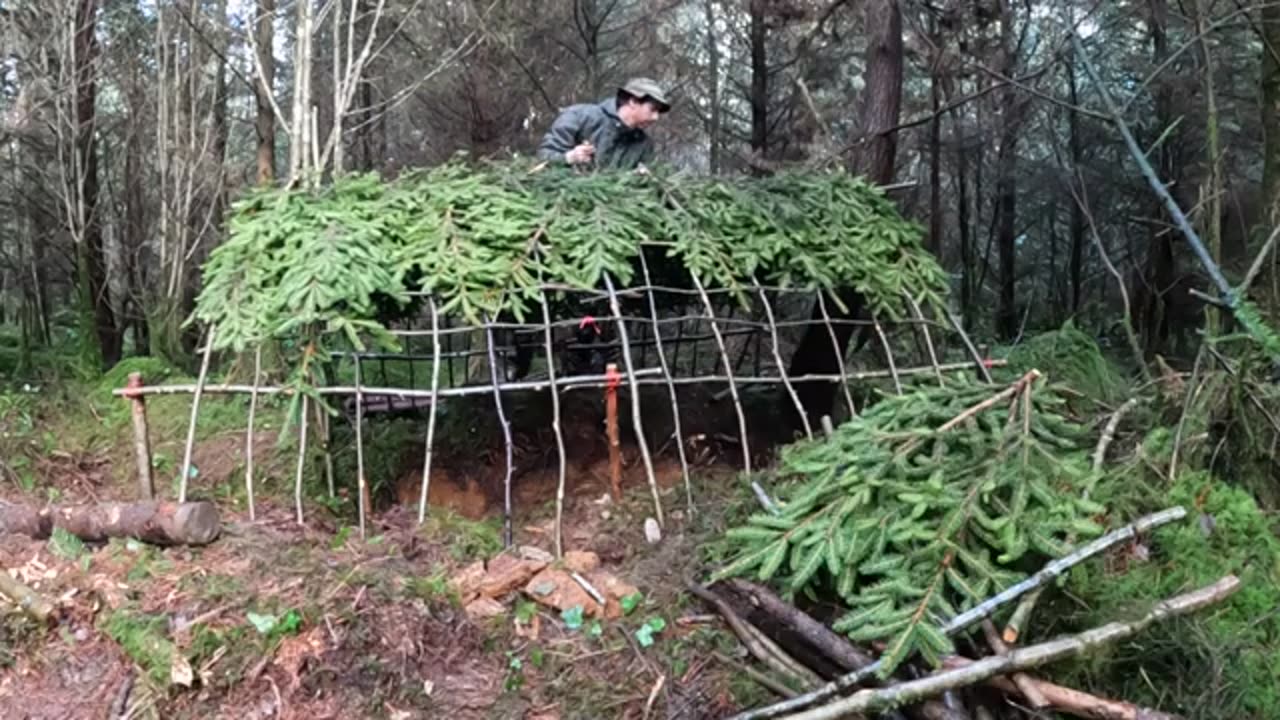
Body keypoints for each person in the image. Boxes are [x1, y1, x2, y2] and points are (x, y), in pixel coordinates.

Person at [537, 78, 672, 170]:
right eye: (652, 109)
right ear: (633, 102)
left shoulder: (644, 144)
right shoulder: (579, 116)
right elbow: (543, 157)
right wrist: (569, 158)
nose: (656, 117)